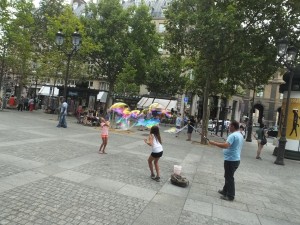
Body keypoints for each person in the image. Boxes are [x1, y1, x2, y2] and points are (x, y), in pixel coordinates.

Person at [208, 120, 244, 201]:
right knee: (227, 176)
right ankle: (225, 191)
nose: (228, 127)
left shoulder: (233, 135)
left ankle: (230, 195)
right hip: (235, 159)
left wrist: (214, 143)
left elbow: (226, 145)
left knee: (229, 177)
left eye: (229, 126)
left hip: (231, 160)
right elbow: (231, 144)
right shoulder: (239, 134)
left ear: (233, 127)